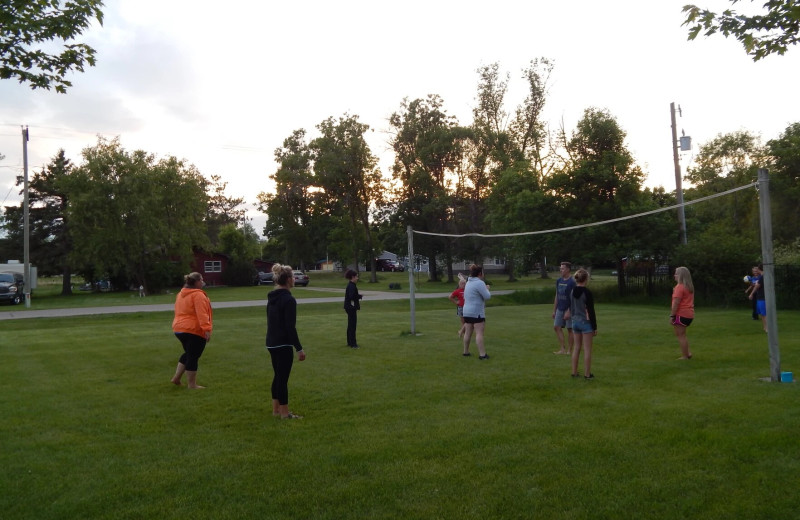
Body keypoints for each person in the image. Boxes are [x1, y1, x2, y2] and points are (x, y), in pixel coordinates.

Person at [266, 263, 306, 419]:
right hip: (283, 344)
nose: (295, 279)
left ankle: (276, 410)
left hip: (271, 342)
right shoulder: (289, 300)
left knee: (277, 376)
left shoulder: (272, 297)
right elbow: (290, 327)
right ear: (288, 279)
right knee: (282, 379)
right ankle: (284, 413)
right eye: (293, 277)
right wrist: (299, 348)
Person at [170, 272, 213, 388]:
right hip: (193, 330)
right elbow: (202, 313)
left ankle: (176, 378)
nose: (203, 282)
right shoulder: (198, 295)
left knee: (189, 353)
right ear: (197, 282)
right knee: (193, 356)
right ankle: (192, 385)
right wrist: (207, 329)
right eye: (202, 280)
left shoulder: (181, 294)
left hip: (179, 328)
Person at [567, 269, 597, 379]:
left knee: (576, 348)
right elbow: (591, 311)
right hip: (585, 323)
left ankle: (574, 372)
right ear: (586, 279)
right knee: (587, 350)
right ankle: (587, 374)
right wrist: (594, 327)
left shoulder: (572, 291)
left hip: (575, 322)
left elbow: (571, 307)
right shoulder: (587, 292)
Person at [462, 264, 491, 359]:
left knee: (468, 332)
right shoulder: (479, 283)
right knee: (479, 332)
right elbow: (487, 296)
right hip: (476, 311)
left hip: (466, 311)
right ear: (480, 273)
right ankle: (482, 354)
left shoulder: (468, 282)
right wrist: (487, 289)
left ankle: (466, 352)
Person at [670, 266, 695, 360]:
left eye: (676, 273)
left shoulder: (679, 287)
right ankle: (687, 353)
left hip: (681, 314)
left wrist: (672, 315)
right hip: (689, 314)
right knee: (682, 335)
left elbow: (676, 303)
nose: (674, 275)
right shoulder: (689, 287)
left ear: (681, 276)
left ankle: (685, 356)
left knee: (680, 336)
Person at [552, 261, 576, 355]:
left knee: (570, 329)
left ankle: (570, 350)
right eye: (560, 268)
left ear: (568, 269)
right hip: (560, 308)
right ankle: (562, 349)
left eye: (562, 268)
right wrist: (554, 310)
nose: (560, 270)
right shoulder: (559, 281)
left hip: (569, 309)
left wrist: (569, 311)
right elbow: (557, 295)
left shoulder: (572, 282)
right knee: (556, 327)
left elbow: (574, 298)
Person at [343, 269, 362, 348]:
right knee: (352, 325)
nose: (357, 278)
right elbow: (351, 296)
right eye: (356, 277)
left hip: (349, 307)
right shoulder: (351, 286)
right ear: (353, 277)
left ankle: (349, 342)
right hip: (351, 307)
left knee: (350, 325)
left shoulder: (351, 285)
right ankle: (353, 344)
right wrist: (358, 296)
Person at [749, 264, 767, 332]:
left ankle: (767, 328)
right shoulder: (764, 276)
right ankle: (765, 327)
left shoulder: (762, 277)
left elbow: (757, 286)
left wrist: (751, 294)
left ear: (759, 270)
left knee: (764, 314)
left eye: (757, 269)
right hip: (762, 297)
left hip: (762, 297)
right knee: (763, 314)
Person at [449, 274, 467, 338]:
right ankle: (464, 333)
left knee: (467, 321)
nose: (463, 285)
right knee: (463, 321)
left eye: (464, 283)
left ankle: (461, 332)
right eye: (462, 283)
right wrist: (456, 302)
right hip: (461, 307)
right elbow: (450, 297)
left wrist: (462, 278)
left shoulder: (467, 290)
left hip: (467, 307)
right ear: (459, 284)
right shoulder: (457, 291)